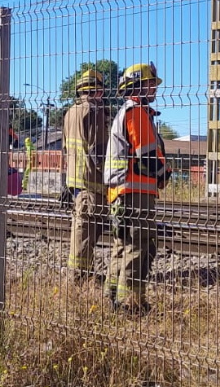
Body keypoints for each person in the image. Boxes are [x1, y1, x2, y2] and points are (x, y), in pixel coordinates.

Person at [103, 62, 170, 315]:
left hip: (122, 192)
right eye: (150, 83)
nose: (154, 88)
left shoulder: (126, 112)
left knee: (123, 245)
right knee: (140, 246)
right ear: (137, 86)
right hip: (135, 192)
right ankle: (130, 304)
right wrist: (165, 174)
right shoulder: (136, 112)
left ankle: (113, 297)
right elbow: (149, 155)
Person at [61, 69, 109, 285]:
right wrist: (110, 177)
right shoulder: (95, 110)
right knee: (86, 233)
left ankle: (79, 274)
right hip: (92, 182)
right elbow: (98, 150)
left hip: (74, 181)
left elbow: (65, 149)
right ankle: (78, 278)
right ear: (97, 91)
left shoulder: (70, 112)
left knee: (80, 230)